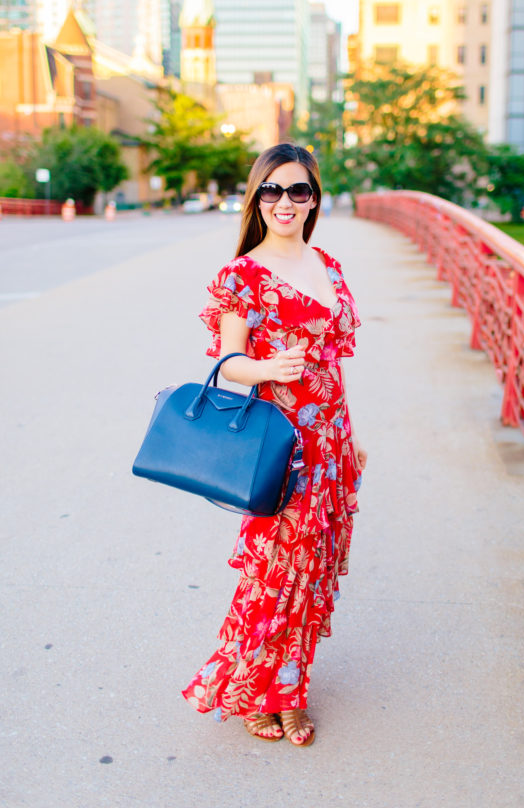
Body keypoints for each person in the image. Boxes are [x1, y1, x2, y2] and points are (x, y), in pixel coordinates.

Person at [182, 142, 367, 748]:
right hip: (279, 444)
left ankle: (292, 691)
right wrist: (268, 371)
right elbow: (228, 361)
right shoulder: (244, 275)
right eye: (272, 191)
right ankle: (258, 691)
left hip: (330, 443)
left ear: (314, 199)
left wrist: (354, 435)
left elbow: (335, 367)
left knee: (311, 576)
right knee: (274, 572)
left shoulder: (330, 267)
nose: (284, 202)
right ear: (255, 197)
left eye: (298, 191)